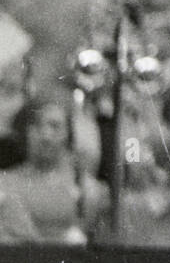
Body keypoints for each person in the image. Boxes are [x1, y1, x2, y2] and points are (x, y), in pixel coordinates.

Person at [0, 95, 107, 244]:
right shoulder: (4, 184)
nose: (46, 135)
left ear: (68, 134)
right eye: (36, 125)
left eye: (55, 126)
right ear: (24, 131)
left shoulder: (88, 190)